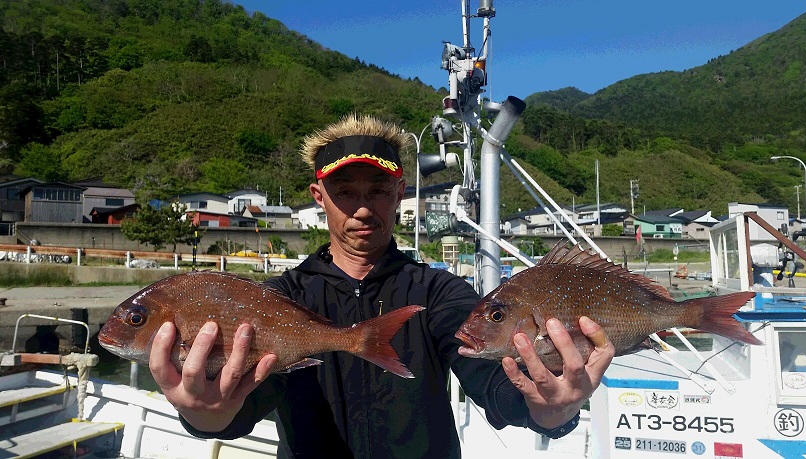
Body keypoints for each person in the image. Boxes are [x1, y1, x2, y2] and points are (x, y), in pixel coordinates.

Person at [149, 114, 615, 458]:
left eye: (377, 190)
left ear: (399, 193)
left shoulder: (438, 293)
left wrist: (551, 408)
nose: (363, 208)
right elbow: (245, 403)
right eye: (345, 192)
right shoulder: (280, 300)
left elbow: (494, 382)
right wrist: (202, 412)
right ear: (319, 197)